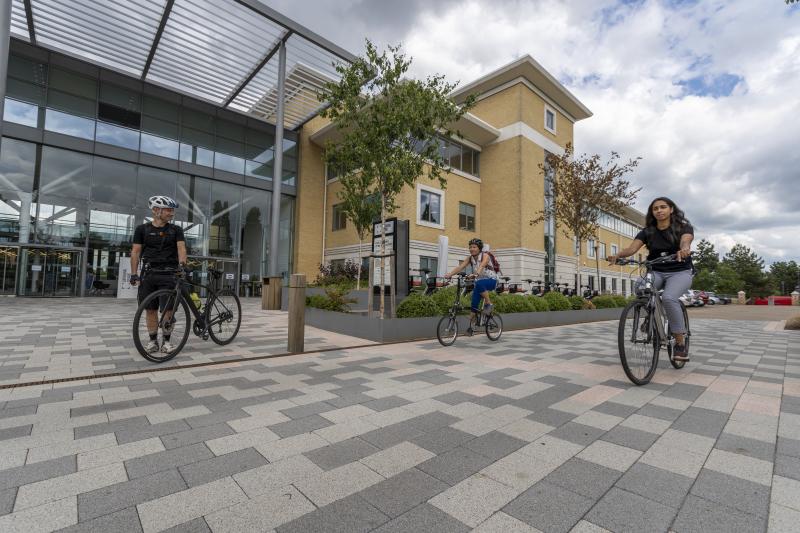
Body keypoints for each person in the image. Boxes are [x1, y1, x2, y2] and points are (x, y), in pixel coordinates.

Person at [607, 197, 694, 361]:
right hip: (657, 270)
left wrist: (684, 249)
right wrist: (618, 255)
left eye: (663, 207)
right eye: (656, 209)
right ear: (652, 212)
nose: (659, 211)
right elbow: (632, 248)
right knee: (640, 286)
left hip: (680, 271)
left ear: (671, 209)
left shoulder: (683, 227)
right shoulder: (648, 231)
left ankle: (680, 343)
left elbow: (685, 241)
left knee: (668, 298)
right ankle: (650, 317)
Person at [129, 196, 187, 354]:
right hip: (148, 274)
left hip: (169, 274)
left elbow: (181, 249)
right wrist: (134, 274)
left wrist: (182, 265)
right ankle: (153, 341)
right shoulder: (142, 230)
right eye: (168, 210)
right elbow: (135, 252)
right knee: (150, 310)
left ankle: (167, 342)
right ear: (156, 210)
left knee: (168, 310)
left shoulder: (176, 230)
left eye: (172, 210)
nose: (171, 213)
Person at [446, 238, 497, 336]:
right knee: (473, 305)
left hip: (492, 281)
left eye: (474, 247)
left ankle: (488, 303)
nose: (472, 249)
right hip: (479, 283)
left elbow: (482, 266)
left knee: (479, 283)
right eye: (470, 247)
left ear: (479, 248)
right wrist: (450, 274)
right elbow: (460, 267)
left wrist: (475, 274)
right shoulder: (470, 258)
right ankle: (471, 328)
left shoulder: (485, 256)